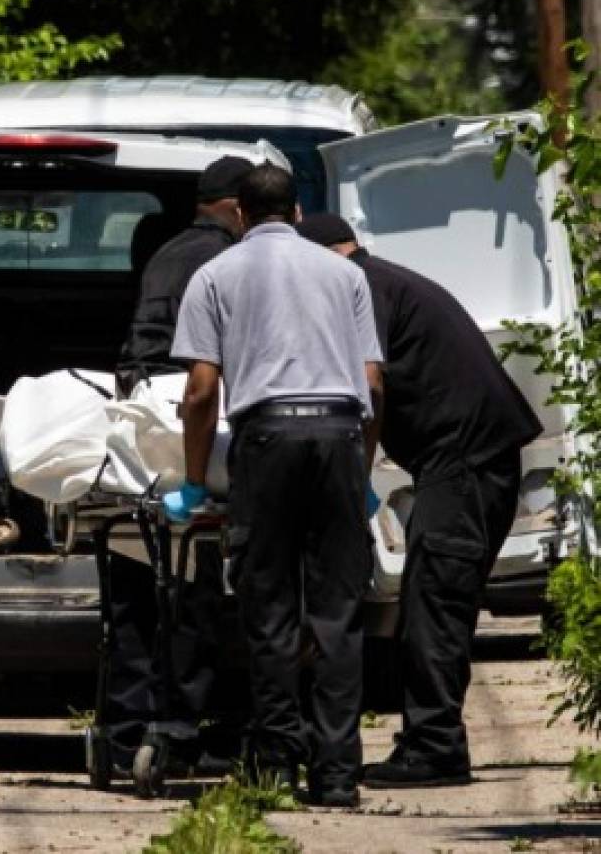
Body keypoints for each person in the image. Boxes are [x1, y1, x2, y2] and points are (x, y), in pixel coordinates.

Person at [296, 213, 542, 789]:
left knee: (435, 602)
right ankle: (427, 738)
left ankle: (435, 748)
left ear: (330, 257)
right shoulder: (386, 279)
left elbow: (370, 381)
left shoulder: (365, 287)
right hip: (471, 460)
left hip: (464, 464)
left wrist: (356, 468)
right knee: (429, 597)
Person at [165, 164, 384, 807]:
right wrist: (360, 474)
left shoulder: (215, 275)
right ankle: (339, 775)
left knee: (271, 612)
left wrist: (195, 478)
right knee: (338, 614)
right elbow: (372, 383)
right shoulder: (346, 275)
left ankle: (278, 766)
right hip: (340, 435)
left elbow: (202, 391)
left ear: (237, 214)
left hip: (266, 441)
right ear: (295, 210)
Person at [102, 156, 255, 776]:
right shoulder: (226, 265)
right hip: (188, 428)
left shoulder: (168, 253)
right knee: (195, 593)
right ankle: (187, 728)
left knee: (136, 588)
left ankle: (124, 729)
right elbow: (208, 376)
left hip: (142, 426)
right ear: (240, 210)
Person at [115, 156, 254, 397]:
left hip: (141, 386)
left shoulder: (166, 252)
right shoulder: (227, 259)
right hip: (186, 392)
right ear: (238, 209)